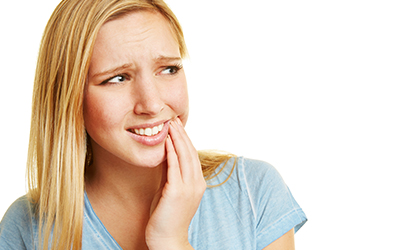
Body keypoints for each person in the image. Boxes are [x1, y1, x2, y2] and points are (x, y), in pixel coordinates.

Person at [0, 0, 307, 249]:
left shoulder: (253, 191)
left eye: (168, 69)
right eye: (117, 78)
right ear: (69, 97)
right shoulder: (27, 227)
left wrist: (170, 241)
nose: (152, 104)